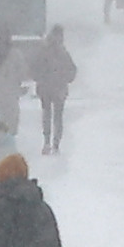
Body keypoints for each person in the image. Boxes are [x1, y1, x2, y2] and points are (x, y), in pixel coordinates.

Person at [28, 24, 77, 155]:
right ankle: (55, 143)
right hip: (58, 88)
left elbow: (33, 68)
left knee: (47, 114)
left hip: (45, 88)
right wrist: (66, 78)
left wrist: (40, 78)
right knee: (57, 116)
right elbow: (72, 69)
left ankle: (47, 142)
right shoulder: (62, 52)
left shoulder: (43, 50)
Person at [0, 27, 24, 135]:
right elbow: (22, 73)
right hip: (4, 93)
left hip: (1, 93)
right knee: (6, 122)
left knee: (3, 122)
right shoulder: (16, 54)